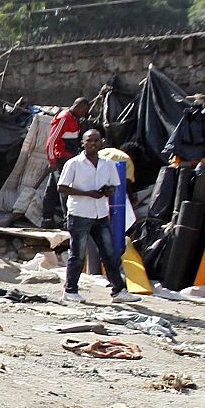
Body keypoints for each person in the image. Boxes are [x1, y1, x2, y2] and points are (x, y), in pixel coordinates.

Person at [58, 128, 140, 304]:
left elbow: (114, 185)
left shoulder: (108, 164)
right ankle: (70, 290)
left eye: (96, 140)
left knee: (110, 253)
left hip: (100, 214)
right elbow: (62, 187)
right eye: (89, 140)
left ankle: (119, 291)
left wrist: (107, 191)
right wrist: (87, 193)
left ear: (101, 142)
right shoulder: (74, 163)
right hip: (80, 213)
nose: (93, 143)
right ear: (83, 143)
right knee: (77, 254)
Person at [43, 98, 88, 226]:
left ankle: (47, 219)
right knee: (65, 189)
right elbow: (51, 141)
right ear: (78, 106)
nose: (84, 113)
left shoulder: (74, 119)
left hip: (68, 157)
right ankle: (67, 220)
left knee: (52, 189)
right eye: (84, 110)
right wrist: (52, 161)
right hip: (61, 159)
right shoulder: (64, 118)